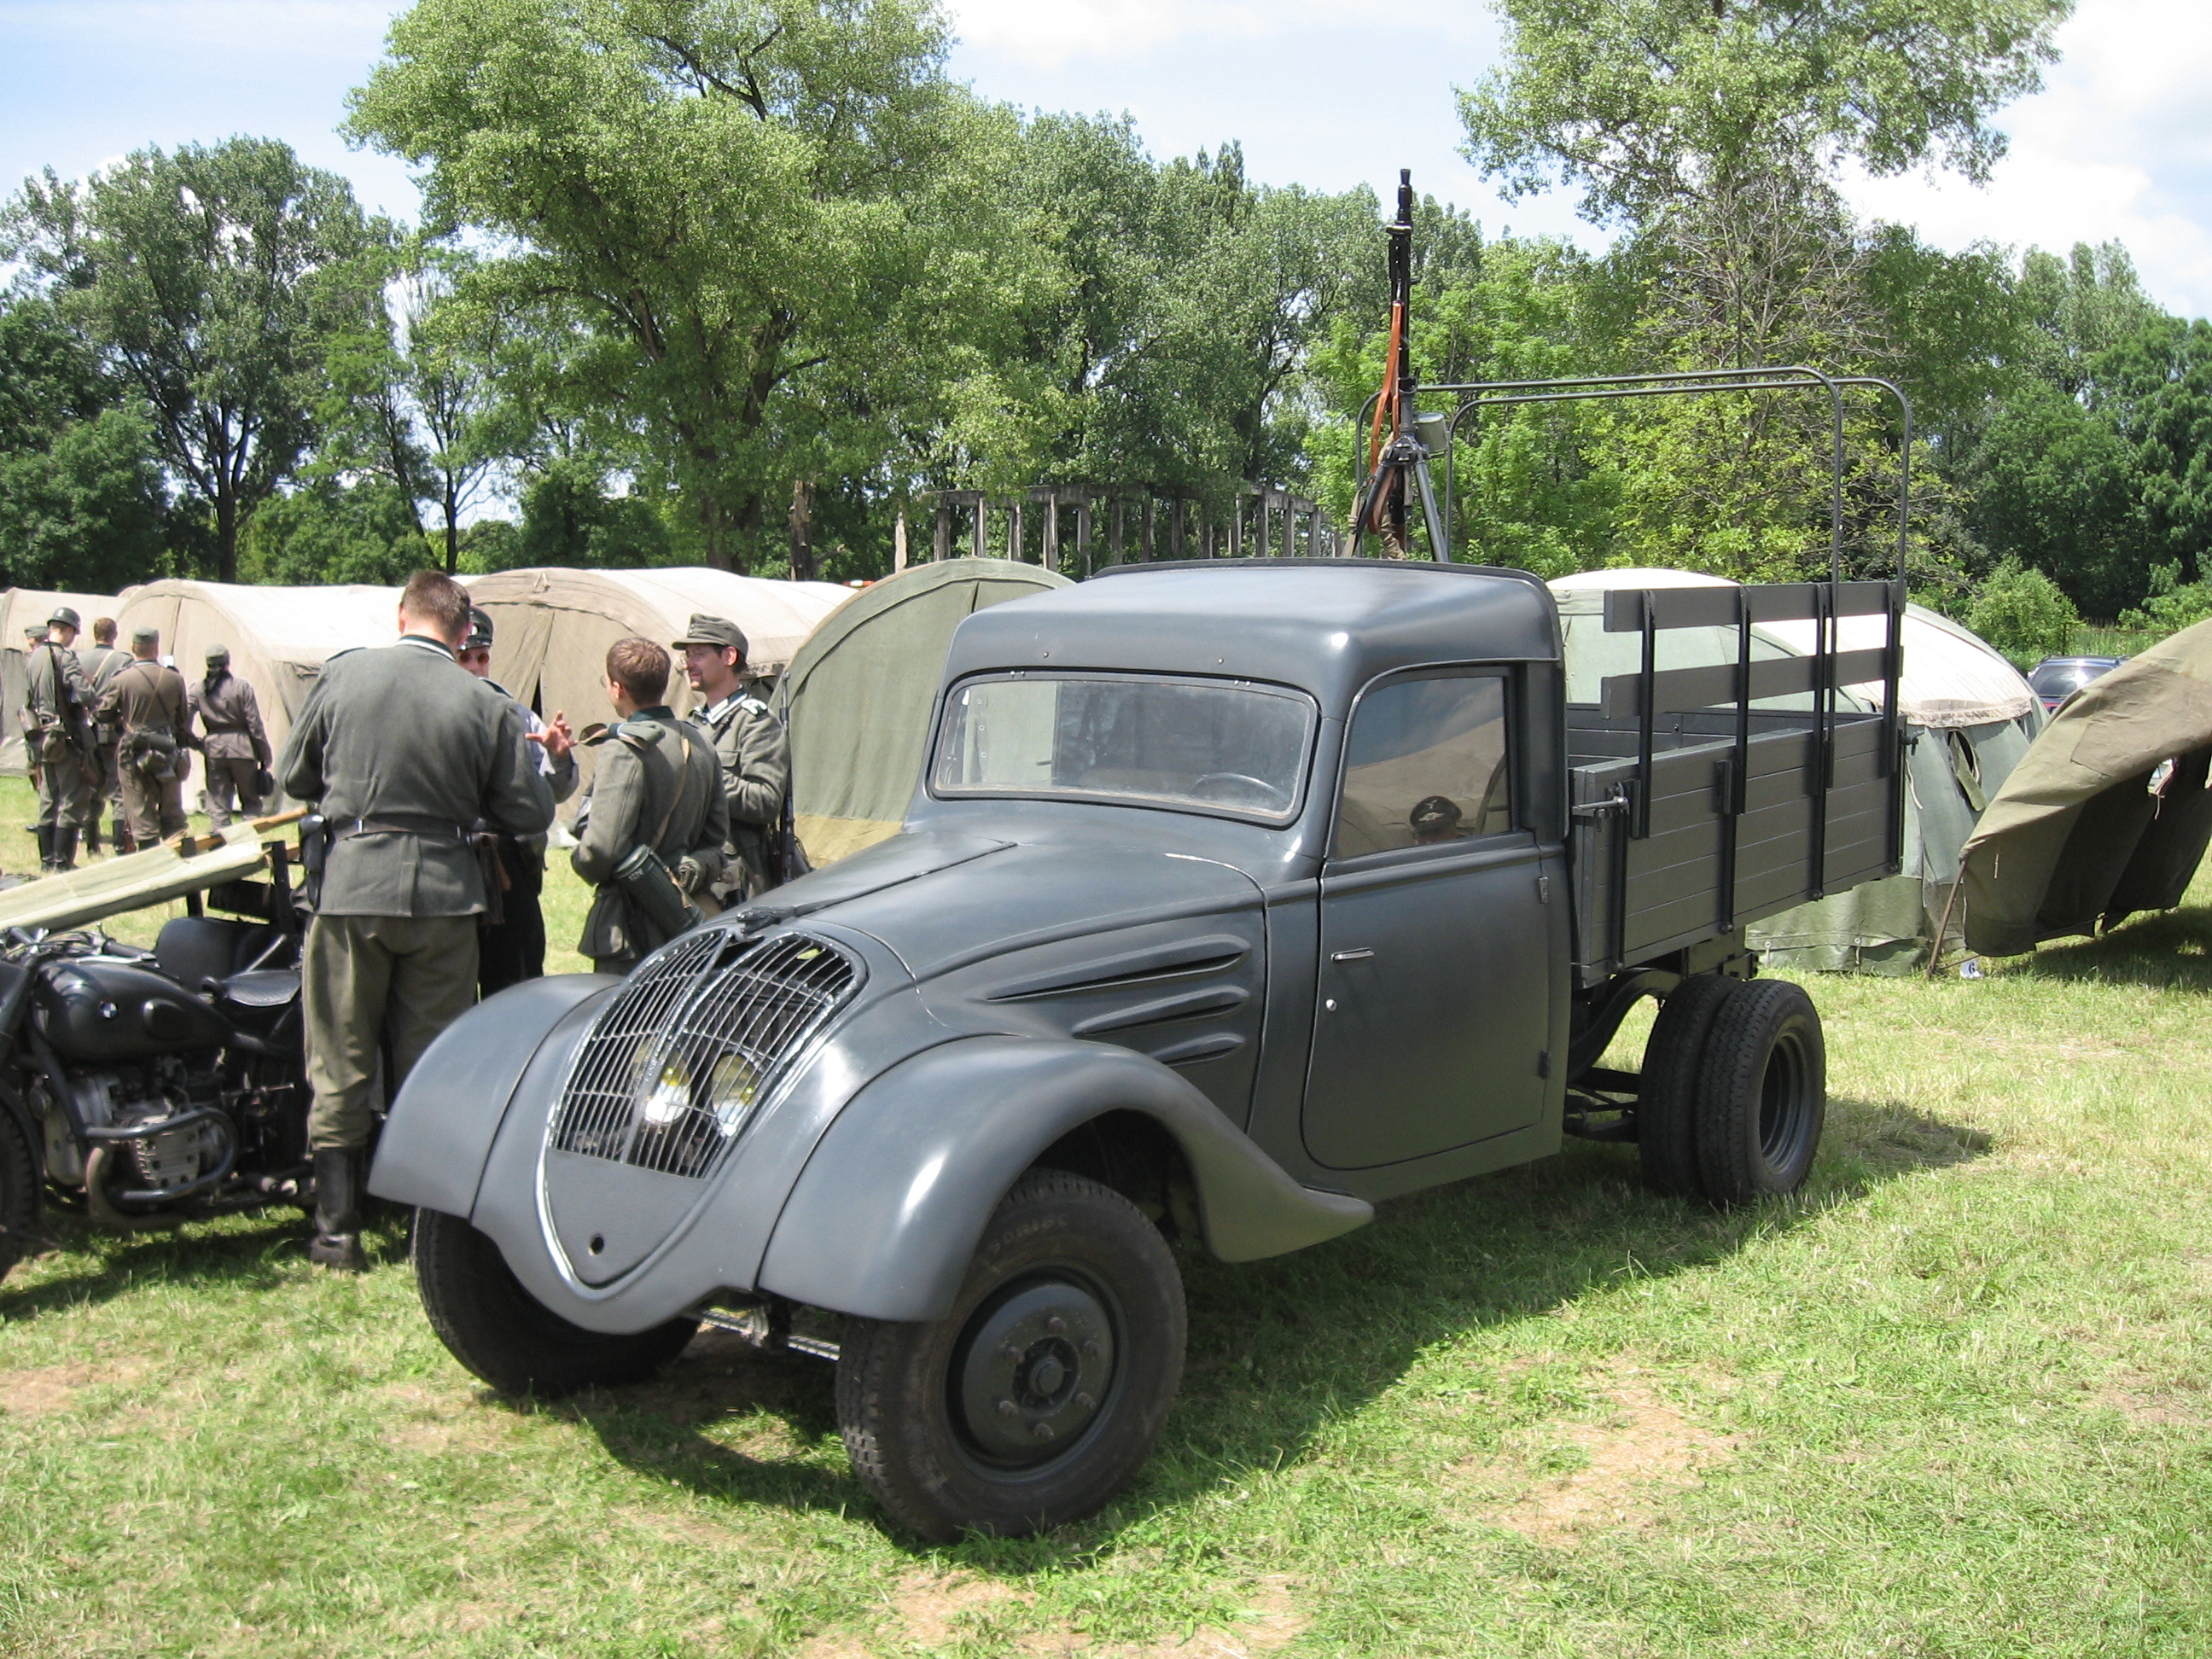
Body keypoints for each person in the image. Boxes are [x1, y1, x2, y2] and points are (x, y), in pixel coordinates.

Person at [276, 571, 555, 1271]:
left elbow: (294, 777)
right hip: (445, 897)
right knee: (432, 1064)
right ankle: (424, 1228)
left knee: (339, 1058)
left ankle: (336, 1231)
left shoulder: (344, 678)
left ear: (401, 616)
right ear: (465, 632)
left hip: (352, 891)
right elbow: (529, 812)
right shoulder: (484, 700)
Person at [571, 637, 726, 975]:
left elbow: (601, 848)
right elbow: (716, 840)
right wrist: (690, 868)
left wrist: (581, 863)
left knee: (625, 1025)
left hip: (629, 926)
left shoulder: (624, 747)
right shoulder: (700, 742)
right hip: (682, 916)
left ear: (617, 688)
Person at [456, 607, 578, 995]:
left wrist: (558, 756)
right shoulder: (429, 711)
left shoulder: (515, 714)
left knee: (516, 986)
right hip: (452, 867)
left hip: (510, 869)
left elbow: (555, 791)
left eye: (482, 657)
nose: (476, 667)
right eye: (465, 658)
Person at [673, 614, 790, 905]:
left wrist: (705, 773)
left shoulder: (756, 723)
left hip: (735, 879)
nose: (689, 664)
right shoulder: (691, 724)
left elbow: (765, 801)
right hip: (691, 869)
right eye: (687, 656)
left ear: (728, 656)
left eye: (698, 654)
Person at [96, 626, 194, 849]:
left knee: (140, 808)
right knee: (172, 809)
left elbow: (103, 714)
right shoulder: (174, 679)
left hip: (133, 749)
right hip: (167, 748)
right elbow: (182, 719)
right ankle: (181, 860)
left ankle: (149, 857)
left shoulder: (122, 679)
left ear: (133, 648)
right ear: (156, 648)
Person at [22, 607, 99, 873]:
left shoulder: (33, 657)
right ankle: (63, 862)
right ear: (66, 630)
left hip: (41, 736)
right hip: (64, 737)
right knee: (71, 798)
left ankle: (47, 861)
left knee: (48, 798)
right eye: (73, 633)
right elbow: (86, 695)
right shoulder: (65, 658)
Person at [187, 644, 272, 830]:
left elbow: (183, 722)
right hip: (242, 748)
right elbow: (255, 725)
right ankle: (247, 842)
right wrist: (264, 753)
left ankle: (220, 844)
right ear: (228, 663)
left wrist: (199, 744)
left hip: (214, 749)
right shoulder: (241, 687)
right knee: (251, 802)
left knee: (218, 804)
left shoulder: (197, 689)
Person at [78, 618, 131, 855]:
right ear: (115, 634)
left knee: (91, 787)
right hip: (113, 733)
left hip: (87, 734)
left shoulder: (78, 660)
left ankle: (92, 845)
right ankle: (120, 844)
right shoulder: (124, 661)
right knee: (119, 790)